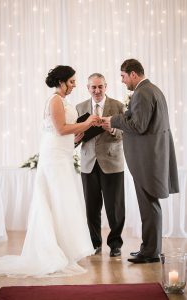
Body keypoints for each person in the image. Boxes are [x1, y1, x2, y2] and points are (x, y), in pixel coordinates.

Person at [0, 65, 99, 277]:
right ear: (61, 82)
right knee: (55, 200)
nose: (75, 85)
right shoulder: (55, 100)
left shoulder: (63, 101)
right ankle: (50, 252)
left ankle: (63, 250)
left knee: (61, 202)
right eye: (72, 81)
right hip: (54, 158)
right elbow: (61, 129)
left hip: (62, 155)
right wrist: (87, 123)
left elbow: (66, 133)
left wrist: (81, 133)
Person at [102, 59, 179, 263]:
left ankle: (151, 252)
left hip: (147, 159)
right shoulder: (153, 90)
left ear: (133, 74)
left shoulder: (143, 92)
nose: (122, 80)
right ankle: (149, 248)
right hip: (152, 156)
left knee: (149, 205)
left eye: (123, 76)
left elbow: (139, 125)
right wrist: (123, 116)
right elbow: (140, 119)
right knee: (149, 204)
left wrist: (114, 120)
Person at [76, 73, 125, 257]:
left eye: (100, 87)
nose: (97, 90)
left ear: (106, 87)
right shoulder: (80, 107)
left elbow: (127, 133)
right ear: (88, 88)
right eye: (93, 87)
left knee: (115, 207)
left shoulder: (118, 106)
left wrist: (112, 128)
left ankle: (115, 244)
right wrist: (76, 137)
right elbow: (73, 138)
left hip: (112, 162)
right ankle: (94, 243)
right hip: (88, 163)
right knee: (92, 207)